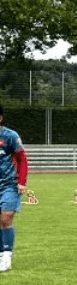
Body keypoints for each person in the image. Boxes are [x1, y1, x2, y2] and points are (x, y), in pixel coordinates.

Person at [0, 105, 29, 273]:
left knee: (6, 218)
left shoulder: (10, 136)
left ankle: (6, 256)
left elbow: (22, 159)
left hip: (9, 184)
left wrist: (22, 181)